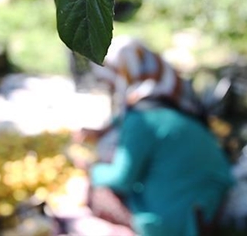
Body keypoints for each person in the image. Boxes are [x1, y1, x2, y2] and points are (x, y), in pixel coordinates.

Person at [75, 37, 234, 236]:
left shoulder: (141, 119)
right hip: (209, 205)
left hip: (178, 219)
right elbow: (127, 122)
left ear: (123, 75)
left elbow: (121, 177)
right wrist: (100, 132)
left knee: (98, 193)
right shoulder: (171, 100)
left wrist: (90, 169)